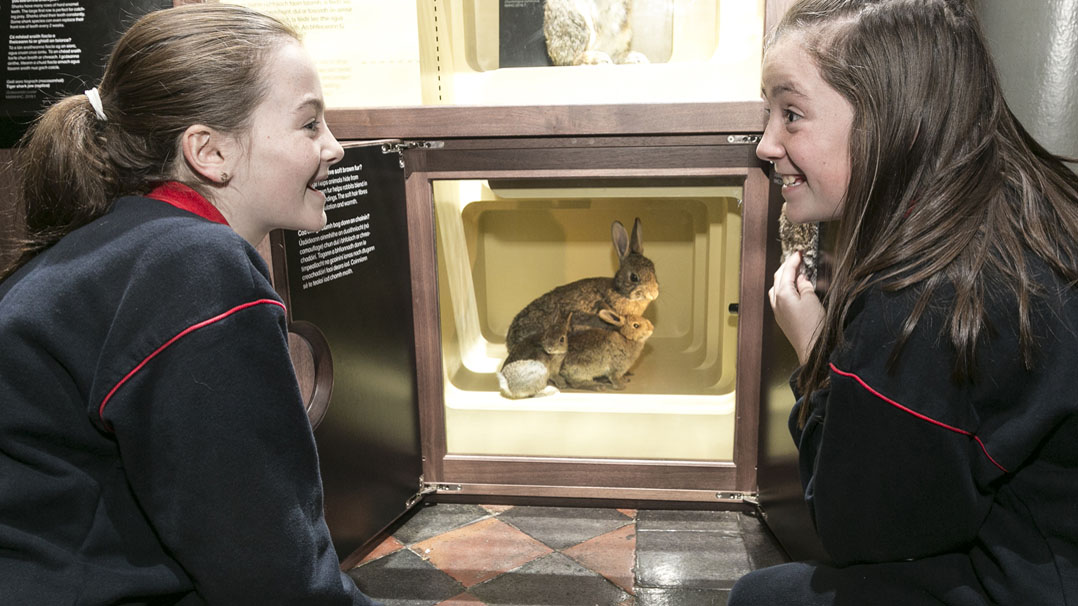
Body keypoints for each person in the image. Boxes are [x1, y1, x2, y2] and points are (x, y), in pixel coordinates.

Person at [0, 4, 381, 604]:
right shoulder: (194, 267)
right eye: (309, 125)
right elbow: (266, 570)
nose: (333, 147)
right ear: (210, 152)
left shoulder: (132, 242)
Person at [731, 0, 1078, 604]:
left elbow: (858, 531)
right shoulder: (1027, 207)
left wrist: (815, 355)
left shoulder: (921, 298)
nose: (765, 144)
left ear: (891, 119)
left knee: (760, 597)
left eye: (791, 114)